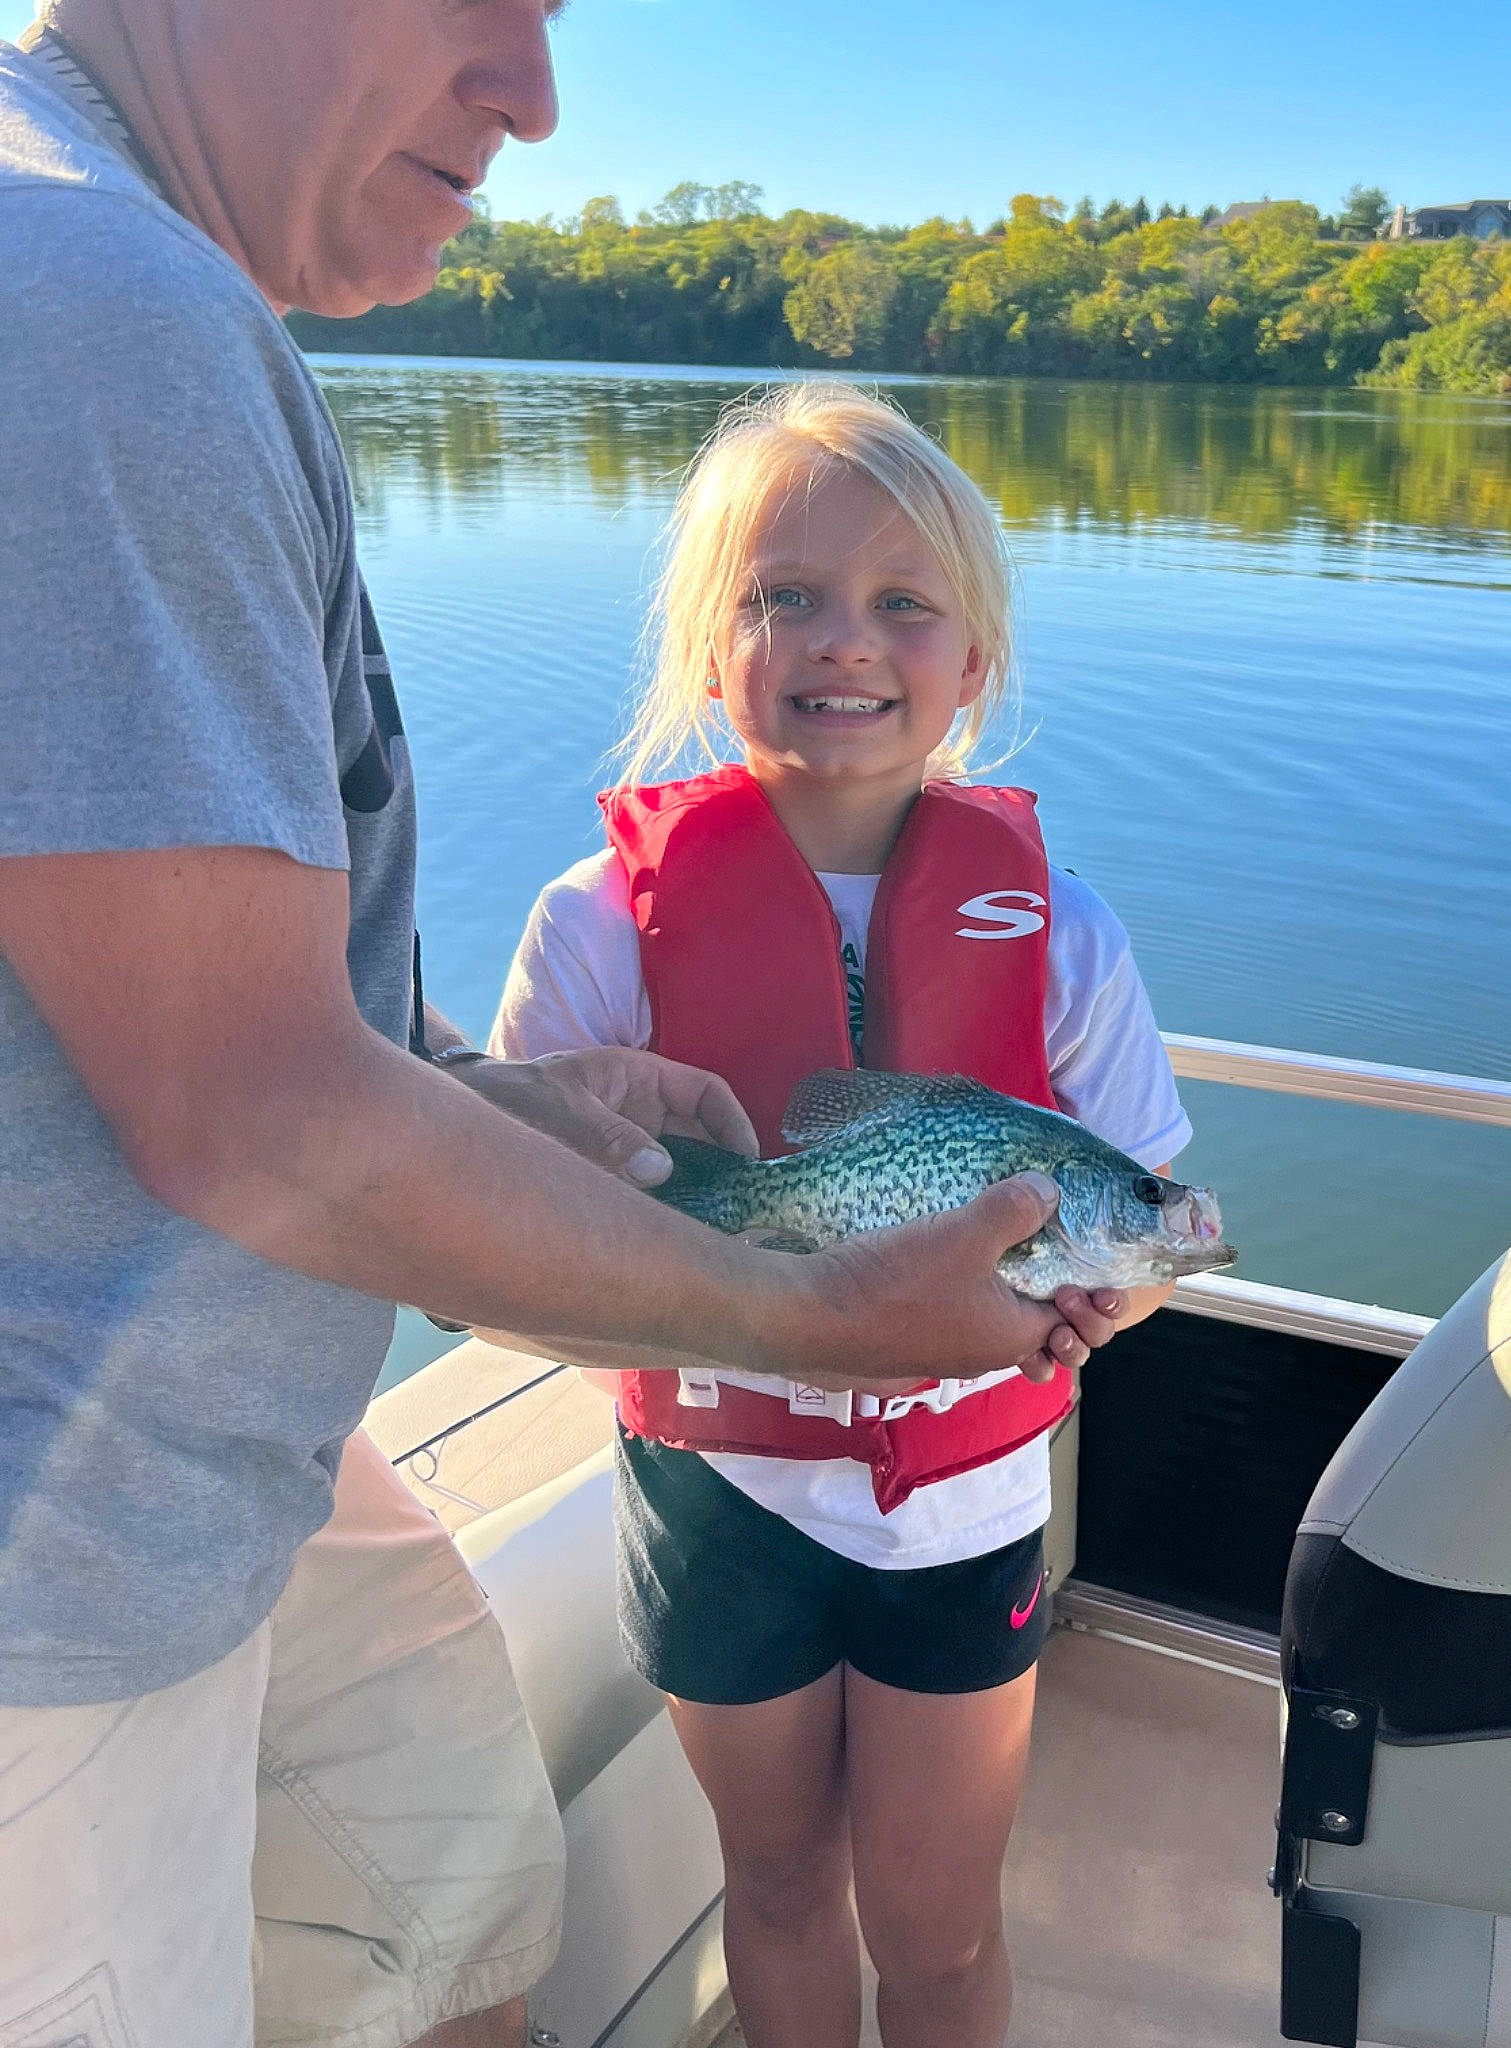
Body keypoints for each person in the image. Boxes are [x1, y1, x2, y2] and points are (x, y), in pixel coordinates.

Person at [0, 8, 1124, 2046]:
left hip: (219, 1465)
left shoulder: (121, 287)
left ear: (970, 661)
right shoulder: (89, 296)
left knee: (465, 1924)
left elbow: (192, 1002)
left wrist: (479, 1090)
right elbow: (248, 1110)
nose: (534, 93)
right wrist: (812, 1315)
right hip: (60, 1573)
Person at [489, 381, 1195, 2048]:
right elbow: (510, 1225)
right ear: (706, 641)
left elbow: (1146, 1218)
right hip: (713, 1487)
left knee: (940, 1936)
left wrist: (1110, 1304)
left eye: (903, 605)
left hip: (962, 1509)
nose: (843, 643)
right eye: (783, 595)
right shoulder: (597, 923)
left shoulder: (1068, 933)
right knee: (782, 1882)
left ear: (976, 664)